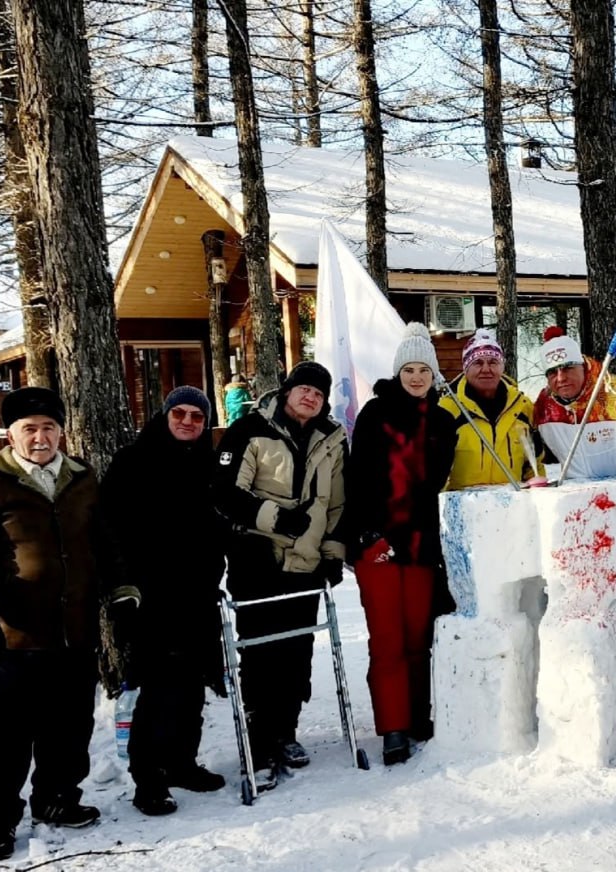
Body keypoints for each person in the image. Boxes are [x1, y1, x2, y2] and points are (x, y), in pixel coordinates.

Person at [0, 388, 140, 861]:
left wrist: (123, 592)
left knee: (69, 726)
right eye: (30, 429)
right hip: (18, 634)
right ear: (10, 435)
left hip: (77, 627)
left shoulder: (82, 477)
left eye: (49, 427)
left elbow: (104, 540)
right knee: (7, 735)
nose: (41, 437)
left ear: (61, 432)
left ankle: (57, 798)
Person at [213, 361, 348, 790]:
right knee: (260, 651)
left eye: (318, 393)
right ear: (287, 390)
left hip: (305, 563)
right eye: (303, 389)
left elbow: (339, 503)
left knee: (296, 650)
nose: (309, 397)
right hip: (258, 558)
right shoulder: (250, 429)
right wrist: (274, 519)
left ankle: (286, 731)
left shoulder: (331, 439)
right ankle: (259, 741)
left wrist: (332, 553)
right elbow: (226, 491)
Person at [102, 386, 227, 816]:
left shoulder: (208, 464)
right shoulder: (133, 461)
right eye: (180, 414)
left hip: (197, 591)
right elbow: (111, 529)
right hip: (148, 593)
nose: (188, 422)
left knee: (192, 682)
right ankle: (148, 778)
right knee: (156, 686)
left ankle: (181, 763)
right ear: (166, 415)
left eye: (197, 416)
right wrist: (122, 589)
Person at [346, 324, 457, 766]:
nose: (416, 377)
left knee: (418, 638)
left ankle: (416, 717)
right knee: (388, 639)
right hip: (379, 542)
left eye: (423, 370)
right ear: (398, 372)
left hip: (422, 544)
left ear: (433, 374)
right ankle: (393, 726)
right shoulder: (376, 414)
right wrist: (367, 535)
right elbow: (357, 479)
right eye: (408, 369)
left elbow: (437, 483)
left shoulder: (445, 420)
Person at [531, 326, 616, 479]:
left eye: (567, 368)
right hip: (577, 498)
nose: (561, 378)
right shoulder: (543, 407)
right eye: (553, 372)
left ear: (582, 366)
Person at [438, 329, 537, 490]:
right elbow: (435, 467)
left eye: (493, 362)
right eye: (477, 363)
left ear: (502, 367)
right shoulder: (447, 410)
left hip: (513, 505)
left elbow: (535, 462)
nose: (486, 369)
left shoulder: (523, 407)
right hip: (463, 506)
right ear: (465, 368)